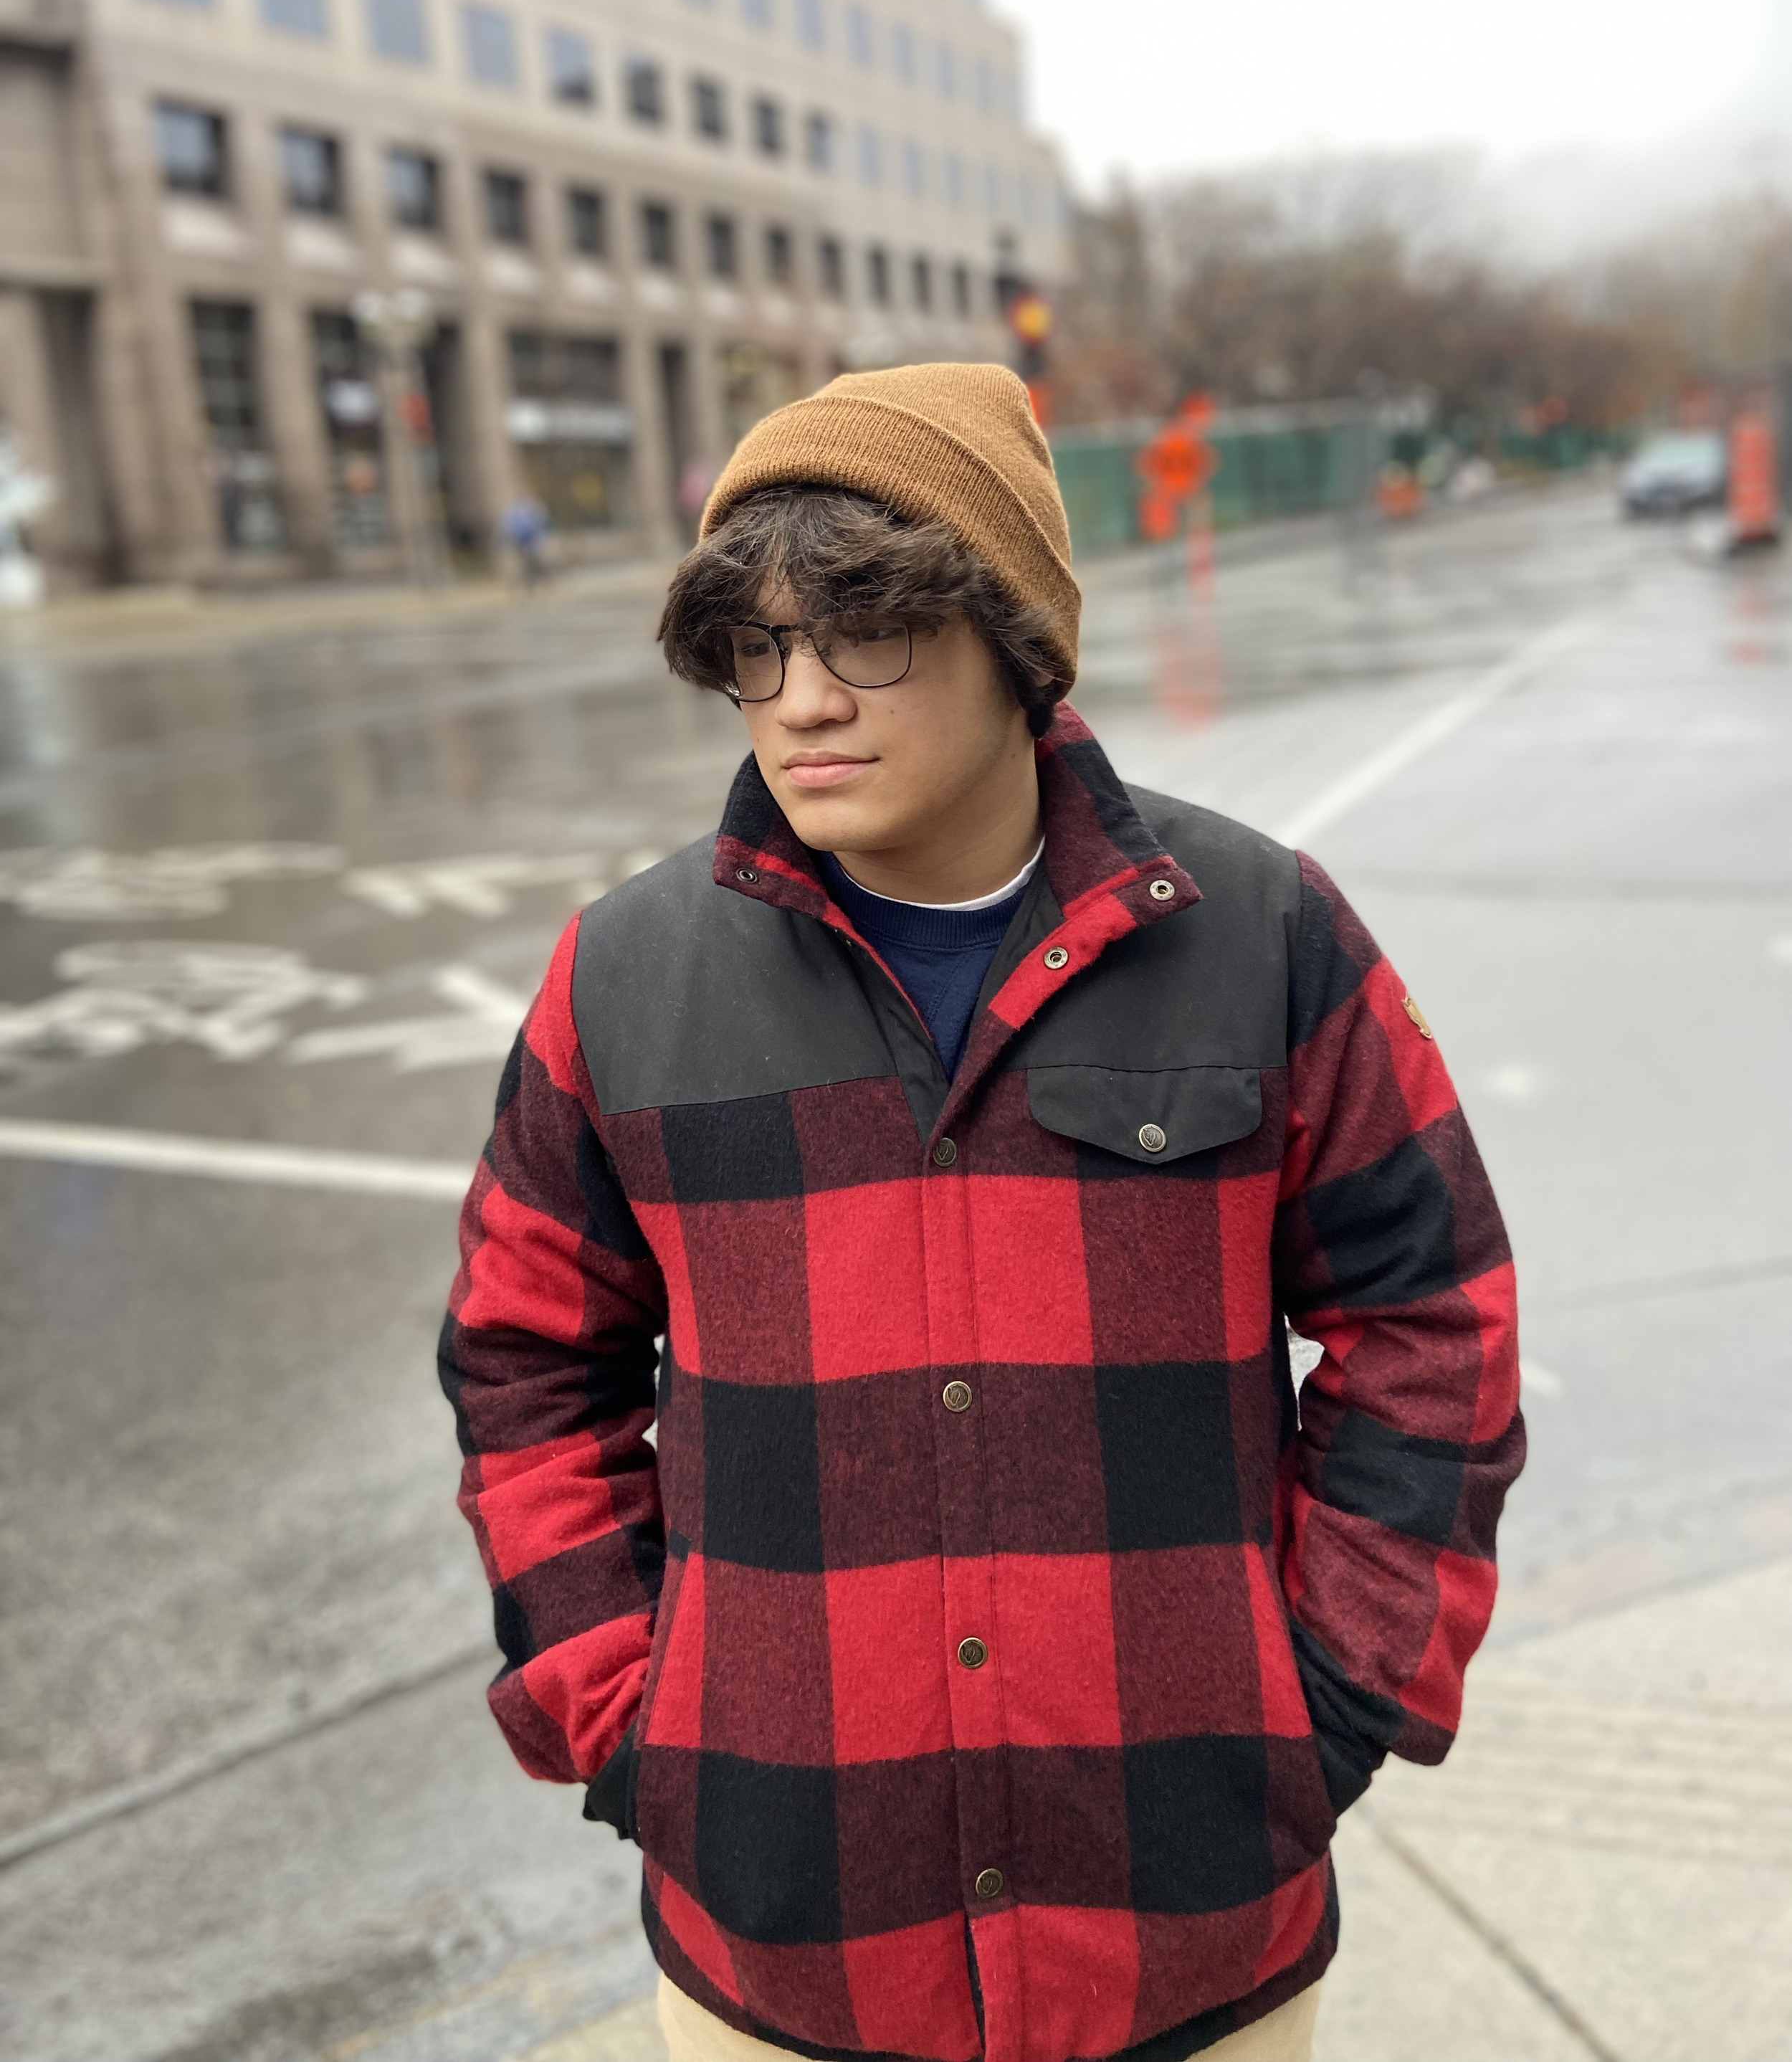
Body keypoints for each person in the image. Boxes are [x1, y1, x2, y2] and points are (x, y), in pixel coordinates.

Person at [440, 364, 1524, 2062]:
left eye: (863, 632)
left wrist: (1326, 1703)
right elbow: (520, 1365)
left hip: (1191, 1929)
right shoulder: (622, 982)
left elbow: (1431, 1322)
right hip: (783, 1943)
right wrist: (634, 1721)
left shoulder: (1258, 931)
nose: (800, 698)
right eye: (754, 649)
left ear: (1013, 640)